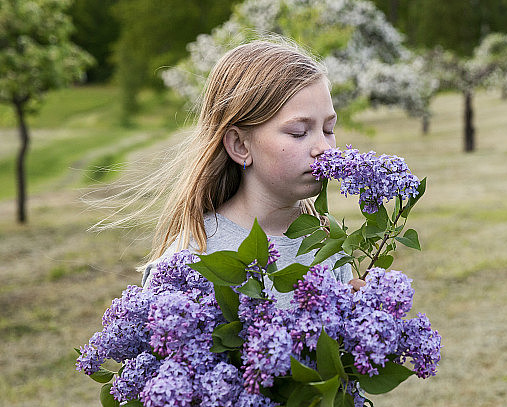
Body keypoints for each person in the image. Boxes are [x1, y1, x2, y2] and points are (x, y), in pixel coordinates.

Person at [129, 38, 363, 303]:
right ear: (240, 145)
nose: (324, 148)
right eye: (299, 132)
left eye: (329, 129)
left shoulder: (327, 244)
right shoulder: (189, 261)